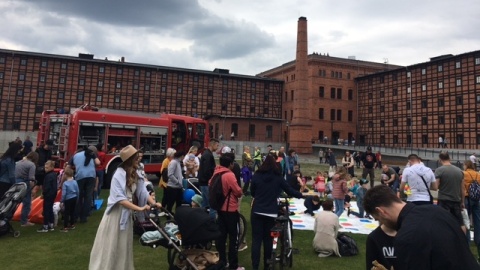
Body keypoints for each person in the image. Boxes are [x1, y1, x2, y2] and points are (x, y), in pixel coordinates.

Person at [363, 185, 480, 270]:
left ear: (381, 211)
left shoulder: (406, 237)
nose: (382, 224)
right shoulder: (437, 211)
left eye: (378, 219)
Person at [89, 145, 161, 270]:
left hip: (126, 214)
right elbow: (120, 199)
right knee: (112, 244)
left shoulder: (136, 173)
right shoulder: (118, 174)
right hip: (115, 215)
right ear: (129, 160)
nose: (138, 159)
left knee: (123, 245)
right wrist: (139, 209)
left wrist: (152, 203)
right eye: (135, 157)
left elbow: (142, 191)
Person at [250, 154, 303, 270]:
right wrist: (300, 195)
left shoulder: (257, 175)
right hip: (270, 212)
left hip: (257, 210)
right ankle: (267, 265)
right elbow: (289, 189)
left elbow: (252, 191)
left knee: (256, 240)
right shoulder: (278, 177)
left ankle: (255, 266)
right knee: (268, 241)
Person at [211, 154, 245, 270]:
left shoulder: (216, 172)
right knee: (233, 238)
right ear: (231, 164)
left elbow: (210, 184)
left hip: (220, 208)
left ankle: (222, 261)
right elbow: (238, 191)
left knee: (221, 236)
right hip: (230, 209)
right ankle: (233, 264)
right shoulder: (229, 175)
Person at [435, 152, 466, 234]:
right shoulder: (459, 171)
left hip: (443, 200)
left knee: (443, 222)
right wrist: (462, 201)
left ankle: (445, 240)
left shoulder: (439, 170)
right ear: (450, 158)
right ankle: (463, 240)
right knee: (460, 222)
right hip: (456, 200)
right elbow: (462, 189)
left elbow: (435, 186)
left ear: (440, 160)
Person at [69, 146, 100, 223]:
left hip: (80, 176)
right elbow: (98, 163)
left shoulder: (75, 156)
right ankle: (84, 217)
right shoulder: (91, 154)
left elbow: (69, 167)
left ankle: (75, 216)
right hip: (91, 176)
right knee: (88, 196)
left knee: (78, 196)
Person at [15, 151, 39, 226]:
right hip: (25, 183)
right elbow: (31, 178)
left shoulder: (18, 162)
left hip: (15, 183)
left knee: (14, 202)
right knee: (27, 203)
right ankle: (24, 221)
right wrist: (32, 188)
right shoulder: (31, 165)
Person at [198, 138, 219, 220]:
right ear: (212, 145)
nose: (217, 147)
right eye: (217, 145)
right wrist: (212, 179)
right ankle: (210, 221)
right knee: (211, 204)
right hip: (206, 183)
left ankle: (202, 220)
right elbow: (207, 170)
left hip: (204, 182)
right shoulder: (208, 155)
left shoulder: (207, 154)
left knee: (205, 203)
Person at [463, 160, 480, 259]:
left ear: (466, 165)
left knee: (466, 221)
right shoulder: (477, 174)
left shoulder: (464, 174)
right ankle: (478, 240)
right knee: (477, 220)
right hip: (476, 198)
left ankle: (467, 241)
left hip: (467, 198)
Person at [37, 160, 57, 232]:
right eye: (45, 168)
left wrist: (43, 193)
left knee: (46, 210)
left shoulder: (48, 176)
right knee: (50, 209)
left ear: (51, 167)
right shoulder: (54, 174)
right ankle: (51, 224)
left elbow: (47, 187)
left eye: (47, 168)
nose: (45, 169)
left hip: (48, 194)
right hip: (53, 194)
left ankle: (45, 226)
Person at [60, 167, 79, 232]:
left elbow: (64, 193)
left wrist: (62, 201)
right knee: (72, 212)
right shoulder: (75, 182)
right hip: (74, 197)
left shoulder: (65, 184)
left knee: (66, 213)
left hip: (68, 199)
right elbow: (77, 190)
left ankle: (65, 227)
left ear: (66, 175)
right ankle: (72, 224)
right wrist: (77, 197)